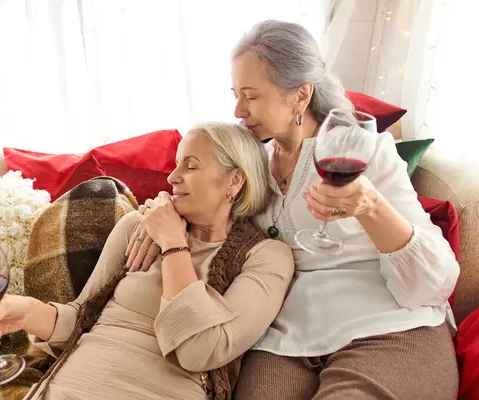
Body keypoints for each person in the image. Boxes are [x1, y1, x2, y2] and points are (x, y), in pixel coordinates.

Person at [126, 21, 460, 399]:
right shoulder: (252, 166)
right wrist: (161, 210)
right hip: (287, 337)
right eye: (235, 94)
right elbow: (204, 204)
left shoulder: (361, 150)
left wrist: (369, 205)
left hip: (386, 326)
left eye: (250, 96)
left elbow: (437, 281)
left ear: (300, 95)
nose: (238, 110)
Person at [0, 122, 295, 400]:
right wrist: (24, 311)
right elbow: (80, 319)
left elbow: (200, 351)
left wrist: (172, 244)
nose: (172, 178)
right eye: (176, 164)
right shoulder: (136, 229)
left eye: (191, 166)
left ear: (234, 181)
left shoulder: (266, 257)